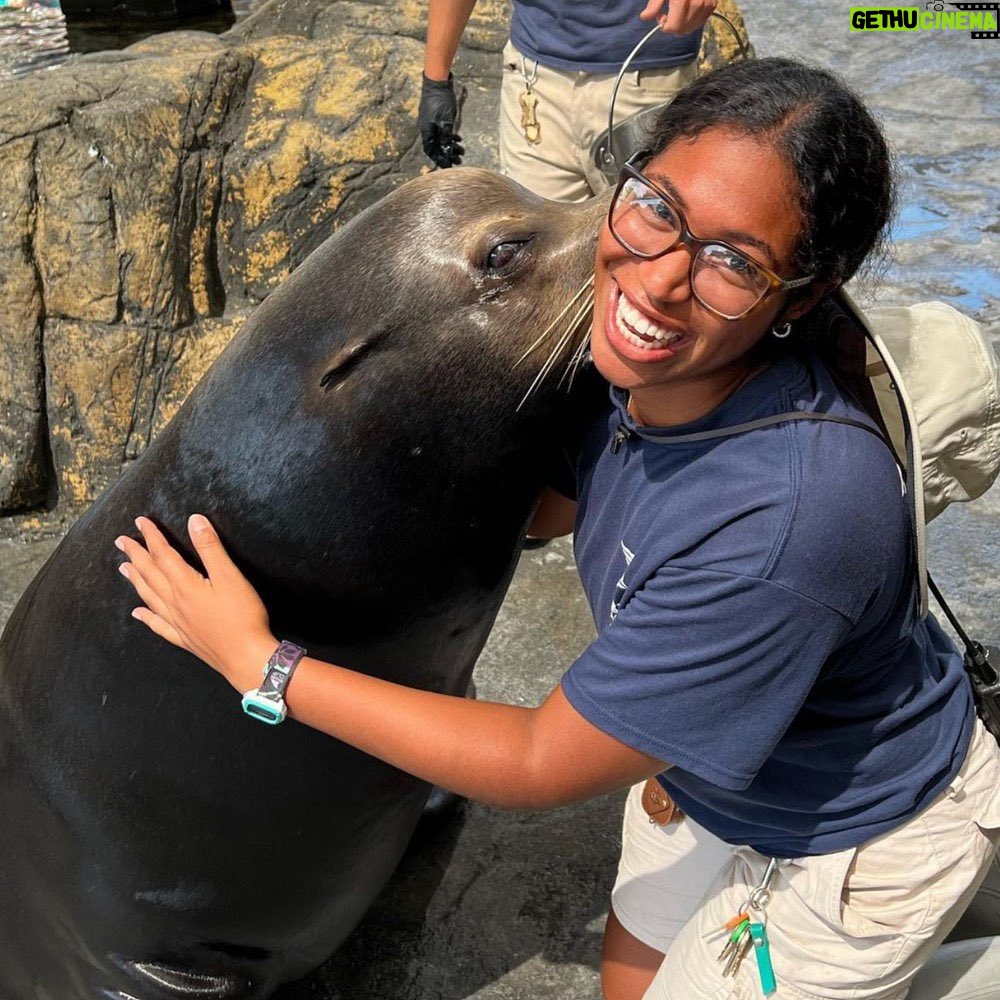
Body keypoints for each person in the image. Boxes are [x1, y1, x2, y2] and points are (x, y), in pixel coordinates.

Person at [116, 58, 1000, 1000]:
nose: (656, 281)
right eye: (656, 205)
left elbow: (540, 760)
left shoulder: (787, 515)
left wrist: (264, 665)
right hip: (723, 772)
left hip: (847, 839)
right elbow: (565, 501)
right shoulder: (645, 373)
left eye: (734, 262)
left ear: (803, 293)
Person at [419, 0, 716, 201]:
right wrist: (435, 79)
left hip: (648, 81)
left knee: (650, 262)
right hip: (533, 88)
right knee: (535, 269)